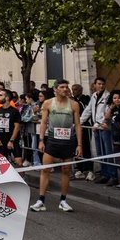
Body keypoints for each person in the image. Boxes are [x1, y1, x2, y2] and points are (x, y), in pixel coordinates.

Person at [32, 80, 83, 212]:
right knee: (45, 169)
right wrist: (41, 140)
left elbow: (77, 125)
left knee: (66, 171)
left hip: (68, 141)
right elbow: (43, 122)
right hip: (52, 140)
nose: (65, 89)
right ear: (55, 89)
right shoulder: (48, 103)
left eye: (66, 87)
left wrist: (79, 144)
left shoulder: (74, 104)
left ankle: (63, 200)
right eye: (62, 87)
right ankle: (41, 200)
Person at [80, 77, 113, 184]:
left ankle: (112, 175)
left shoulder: (108, 96)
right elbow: (88, 110)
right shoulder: (94, 96)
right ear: (95, 85)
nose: (101, 86)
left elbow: (106, 112)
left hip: (104, 126)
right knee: (100, 152)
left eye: (103, 84)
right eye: (99, 84)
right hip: (96, 128)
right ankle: (104, 174)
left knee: (107, 151)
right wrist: (79, 122)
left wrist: (98, 123)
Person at [103, 91, 120, 189]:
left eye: (119, 98)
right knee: (119, 161)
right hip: (116, 138)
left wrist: (109, 126)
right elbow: (106, 117)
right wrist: (111, 107)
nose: (117, 100)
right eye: (114, 98)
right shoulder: (115, 109)